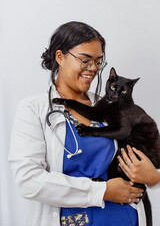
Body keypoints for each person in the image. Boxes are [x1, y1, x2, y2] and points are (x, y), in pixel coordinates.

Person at [9, 21, 160, 226]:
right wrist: (102, 191)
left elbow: (143, 152)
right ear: (60, 57)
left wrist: (154, 177)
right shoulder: (32, 109)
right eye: (85, 60)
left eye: (98, 61)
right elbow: (28, 181)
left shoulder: (110, 105)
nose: (93, 68)